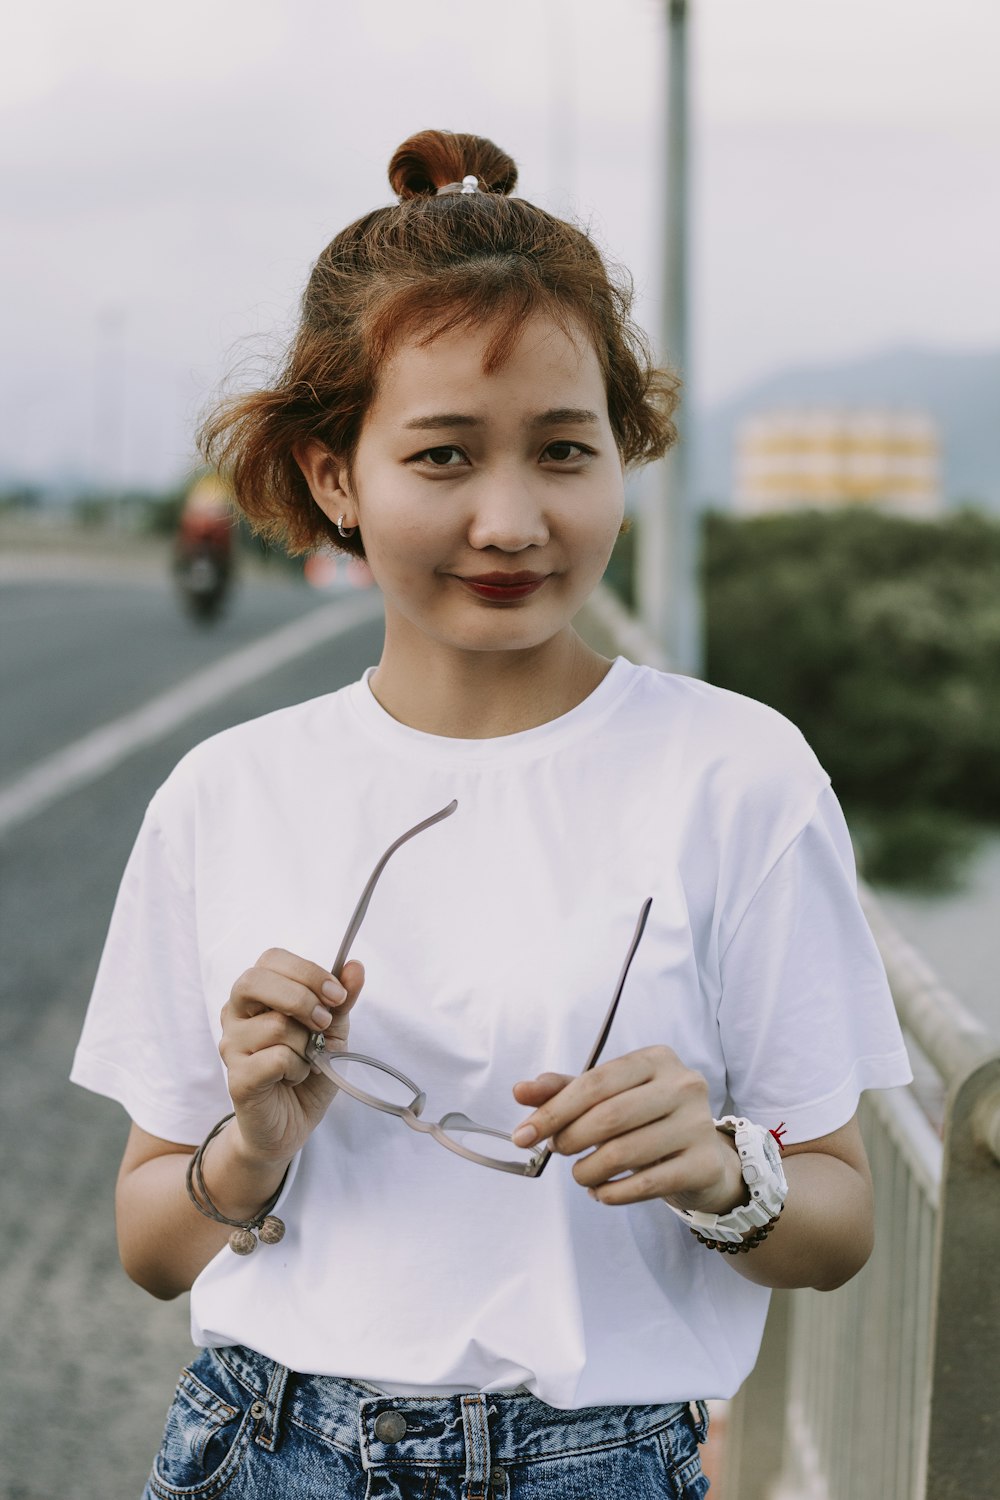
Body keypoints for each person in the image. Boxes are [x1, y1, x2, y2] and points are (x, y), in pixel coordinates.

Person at [72, 129, 912, 1500]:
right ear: (339, 477)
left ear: (622, 460)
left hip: (602, 1462)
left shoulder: (739, 773)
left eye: (565, 451)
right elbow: (153, 1241)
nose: (514, 520)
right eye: (446, 456)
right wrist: (259, 1144)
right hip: (265, 1449)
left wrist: (716, 1170)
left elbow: (837, 1221)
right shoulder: (229, 792)